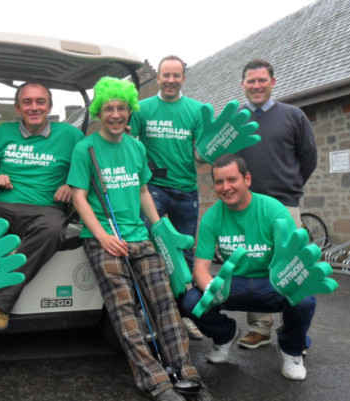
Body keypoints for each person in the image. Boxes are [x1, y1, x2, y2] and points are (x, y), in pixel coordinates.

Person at [69, 77, 212, 401]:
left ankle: (185, 372)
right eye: (109, 108)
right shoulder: (85, 148)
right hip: (104, 239)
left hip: (138, 235)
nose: (116, 114)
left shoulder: (136, 147)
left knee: (165, 303)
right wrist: (103, 236)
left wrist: (161, 228)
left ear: (130, 110)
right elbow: (79, 198)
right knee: (125, 309)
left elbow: (144, 191)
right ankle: (155, 382)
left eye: (122, 108)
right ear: (99, 111)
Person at [178, 153, 316, 381]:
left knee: (304, 299)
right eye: (219, 182)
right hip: (233, 284)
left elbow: (293, 262)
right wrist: (212, 287)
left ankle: (291, 350)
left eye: (232, 179)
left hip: (271, 283)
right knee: (191, 301)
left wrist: (289, 281)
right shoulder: (212, 217)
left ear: (247, 179)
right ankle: (225, 335)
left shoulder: (274, 210)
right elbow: (200, 270)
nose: (226, 187)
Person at [0, 81, 84, 330]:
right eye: (27, 102)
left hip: (44, 208)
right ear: (18, 108)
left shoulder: (70, 135)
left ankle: (1, 301)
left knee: (52, 231)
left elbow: (87, 168)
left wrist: (71, 186)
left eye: (40, 101)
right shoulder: (3, 132)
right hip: (1, 203)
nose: (34, 107)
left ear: (49, 106)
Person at [235, 59, 318, 349]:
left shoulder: (294, 116)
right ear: (243, 84)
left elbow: (309, 158)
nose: (256, 86)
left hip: (285, 204)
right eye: (250, 81)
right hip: (249, 208)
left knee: (293, 269)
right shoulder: (236, 120)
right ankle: (259, 327)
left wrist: (291, 185)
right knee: (255, 267)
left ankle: (294, 334)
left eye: (262, 80)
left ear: (273, 82)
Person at [128, 55, 204, 340]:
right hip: (154, 190)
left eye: (176, 75)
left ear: (184, 78)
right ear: (157, 78)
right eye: (166, 75)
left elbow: (200, 153)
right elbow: (128, 143)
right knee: (151, 249)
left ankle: (184, 316)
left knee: (185, 254)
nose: (171, 80)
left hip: (186, 191)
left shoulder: (197, 110)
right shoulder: (142, 108)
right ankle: (150, 316)